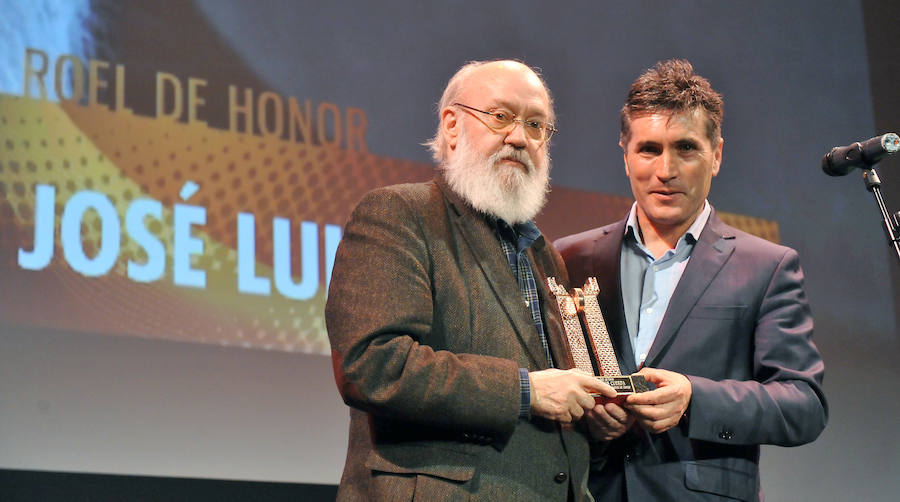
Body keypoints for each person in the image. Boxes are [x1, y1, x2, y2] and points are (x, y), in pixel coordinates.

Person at [325, 59, 615, 502]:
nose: (519, 138)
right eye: (501, 117)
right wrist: (525, 391)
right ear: (452, 125)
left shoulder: (545, 257)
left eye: (536, 125)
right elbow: (373, 365)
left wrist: (592, 417)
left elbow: (553, 397)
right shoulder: (399, 214)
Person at [555, 59, 827, 501]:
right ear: (625, 155)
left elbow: (804, 405)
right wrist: (585, 413)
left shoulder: (767, 265)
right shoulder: (570, 257)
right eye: (648, 149)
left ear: (716, 154)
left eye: (685, 148)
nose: (666, 170)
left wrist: (693, 399)